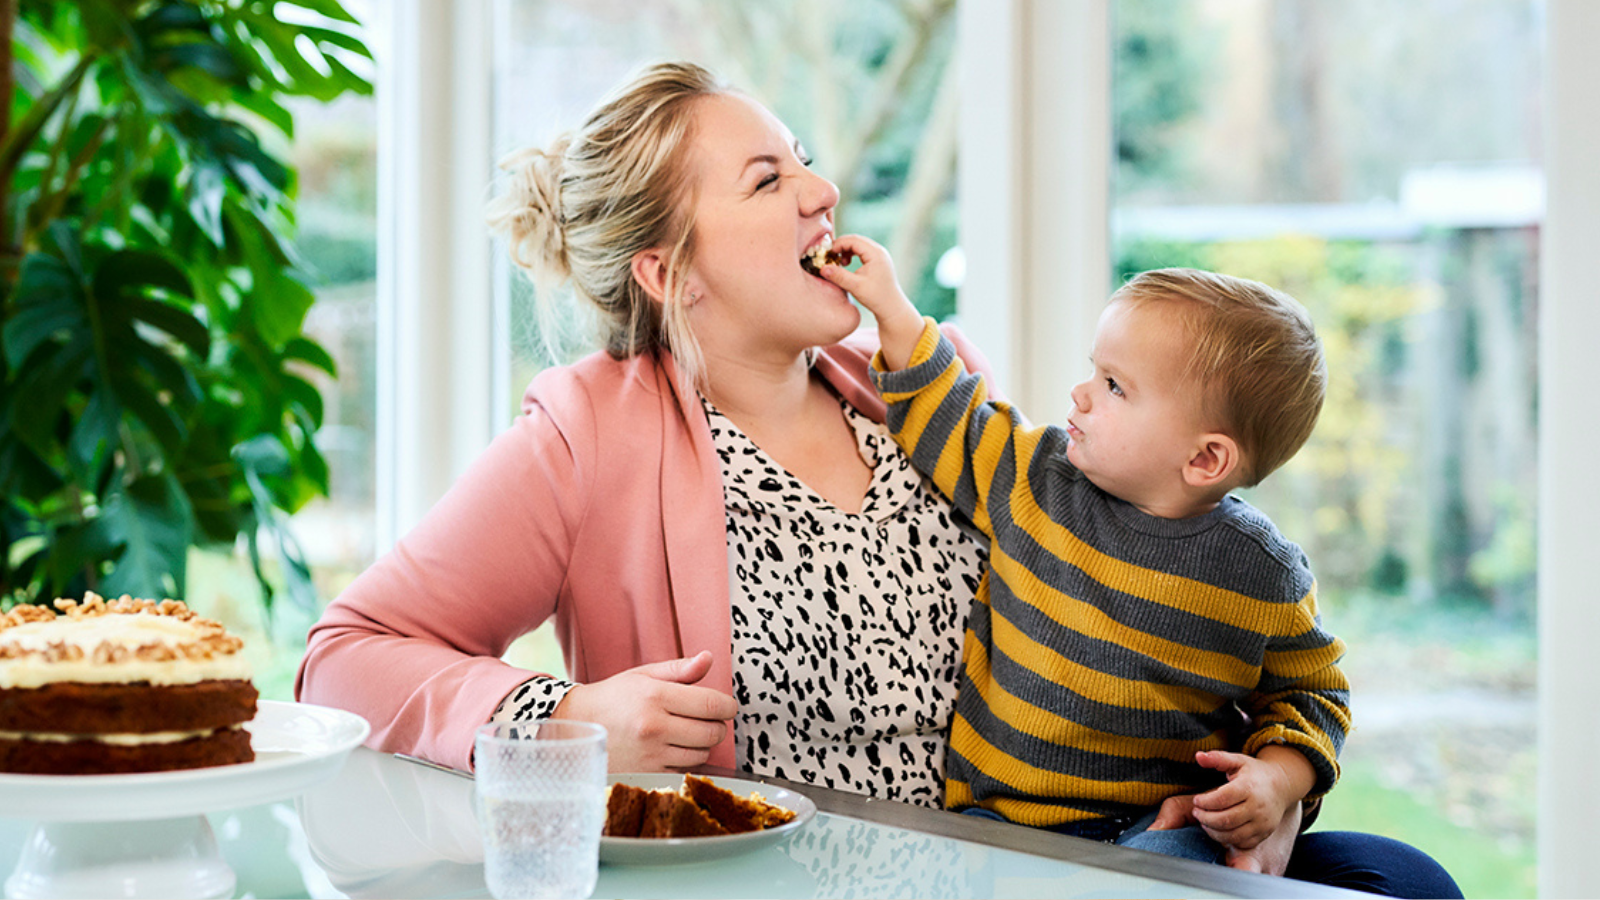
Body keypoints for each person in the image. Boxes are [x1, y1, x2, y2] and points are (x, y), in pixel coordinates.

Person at [295, 60, 1459, 897]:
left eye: (805, 159)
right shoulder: (581, 438)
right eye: (766, 180)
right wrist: (562, 718)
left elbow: (1155, 589)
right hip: (804, 879)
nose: (820, 191)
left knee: (1409, 879)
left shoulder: (925, 383)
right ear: (669, 270)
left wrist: (1273, 780)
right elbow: (343, 658)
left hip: (1055, 853)